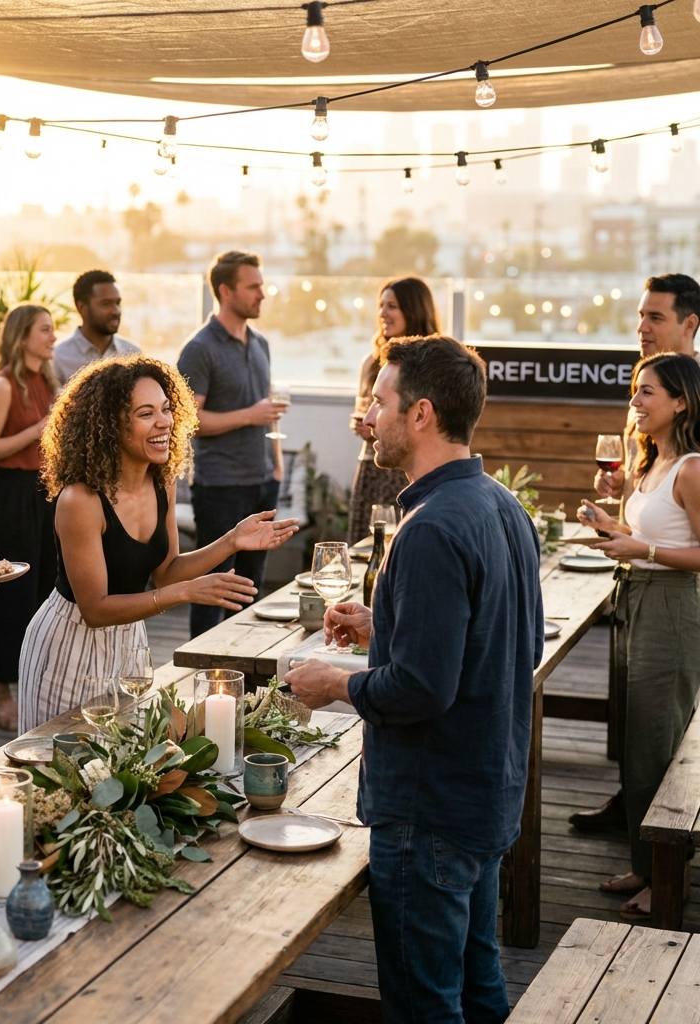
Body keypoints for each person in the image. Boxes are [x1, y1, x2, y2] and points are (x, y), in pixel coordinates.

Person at [285, 335, 543, 1024]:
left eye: (380, 402)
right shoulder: (500, 505)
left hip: (430, 807)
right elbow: (493, 635)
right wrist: (385, 623)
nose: (369, 418)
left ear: (421, 414)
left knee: (424, 1005)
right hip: (486, 790)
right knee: (479, 982)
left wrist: (332, 684)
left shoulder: (429, 529)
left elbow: (423, 691)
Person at [18, 354, 298, 733]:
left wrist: (232, 540)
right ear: (109, 425)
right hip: (68, 647)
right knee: (59, 772)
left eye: (166, 409)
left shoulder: (161, 482)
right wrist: (186, 593)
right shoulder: (80, 500)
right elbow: (95, 610)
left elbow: (166, 573)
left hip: (128, 641)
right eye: (146, 413)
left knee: (119, 772)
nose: (164, 422)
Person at [572, 272, 700, 833]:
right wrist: (623, 498)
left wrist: (641, 541)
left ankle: (663, 853)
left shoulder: (690, 444)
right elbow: (659, 497)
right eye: (641, 316)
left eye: (656, 317)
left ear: (689, 324)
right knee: (639, 725)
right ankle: (639, 833)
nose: (642, 327)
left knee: (663, 731)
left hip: (675, 598)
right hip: (639, 589)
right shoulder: (654, 427)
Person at [177, 250, 289, 639]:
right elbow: (187, 422)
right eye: (253, 286)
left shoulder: (260, 343)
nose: (262, 293)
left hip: (261, 483)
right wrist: (249, 415)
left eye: (262, 285)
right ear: (225, 291)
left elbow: (267, 413)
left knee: (251, 592)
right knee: (214, 591)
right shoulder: (199, 348)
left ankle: (241, 677)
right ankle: (198, 673)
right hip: (220, 487)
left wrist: (276, 468)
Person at [0, 305, 59, 731]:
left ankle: (34, 685)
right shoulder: (3, 385)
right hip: (11, 495)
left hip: (46, 493)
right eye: (45, 330)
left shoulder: (48, 379)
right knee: (12, 596)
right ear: (22, 335)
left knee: (46, 591)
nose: (53, 336)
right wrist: (39, 429)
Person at [347, 277, 440, 545]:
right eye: (381, 305)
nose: (382, 313)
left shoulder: (433, 364)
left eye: (392, 306)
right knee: (363, 549)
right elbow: (364, 409)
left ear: (413, 310)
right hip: (371, 467)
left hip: (410, 469)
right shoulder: (371, 363)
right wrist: (365, 427)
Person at [52, 270, 139, 386]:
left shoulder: (133, 354)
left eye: (118, 303)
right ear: (82, 308)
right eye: (106, 304)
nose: (116, 311)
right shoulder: (58, 357)